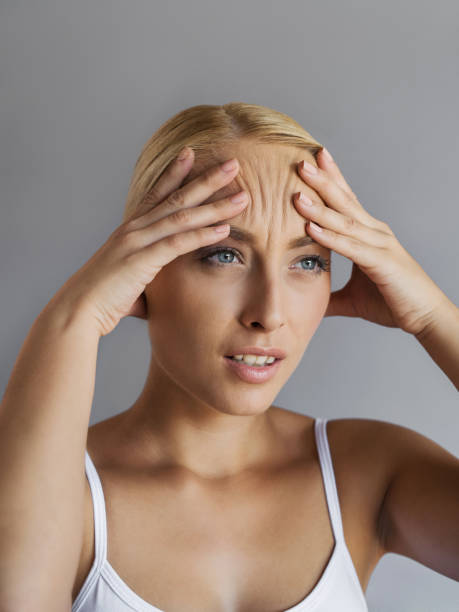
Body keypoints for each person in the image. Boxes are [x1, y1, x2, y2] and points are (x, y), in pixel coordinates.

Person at [0, 102, 458, 612]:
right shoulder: (65, 488)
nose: (269, 313)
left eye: (307, 261)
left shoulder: (366, 470)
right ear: (142, 264)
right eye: (224, 254)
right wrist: (74, 318)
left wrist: (434, 316)